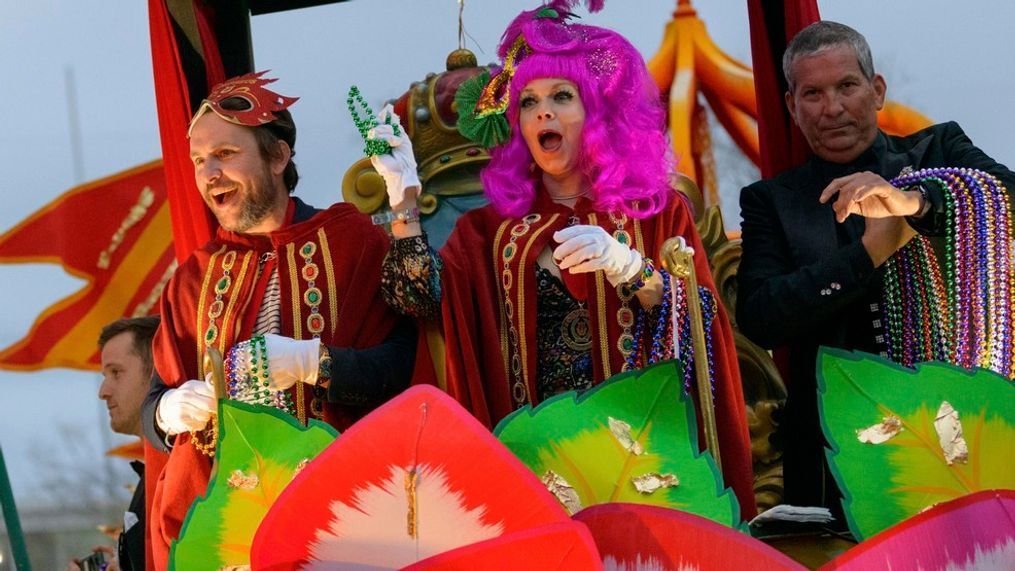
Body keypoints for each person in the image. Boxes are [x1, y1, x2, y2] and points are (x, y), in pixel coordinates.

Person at [374, 1, 756, 517]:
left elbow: (704, 328)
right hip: (539, 466)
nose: (543, 112)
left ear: (596, 113)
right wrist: (402, 205)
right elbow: (417, 300)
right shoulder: (486, 231)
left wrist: (635, 271)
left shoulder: (656, 214)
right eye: (528, 102)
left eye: (561, 96)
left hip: (643, 458)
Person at [736, 20, 1014, 513]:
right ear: (791, 106)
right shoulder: (772, 201)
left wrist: (916, 201)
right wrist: (868, 255)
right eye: (813, 93)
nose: (833, 108)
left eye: (847, 86)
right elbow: (760, 317)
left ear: (877, 89)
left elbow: (1007, 198)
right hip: (832, 458)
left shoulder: (937, 150)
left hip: (956, 427)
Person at [141, 72, 416, 569]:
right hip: (228, 534)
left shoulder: (351, 241)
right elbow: (153, 402)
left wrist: (318, 363)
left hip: (343, 524)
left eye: (224, 154)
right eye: (199, 161)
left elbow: (408, 365)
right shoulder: (192, 278)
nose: (209, 174)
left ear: (278, 156)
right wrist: (166, 412)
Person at [68, 316, 160, 571]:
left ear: (155, 373)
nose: (103, 391)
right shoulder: (153, 473)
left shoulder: (185, 468)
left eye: (116, 372)